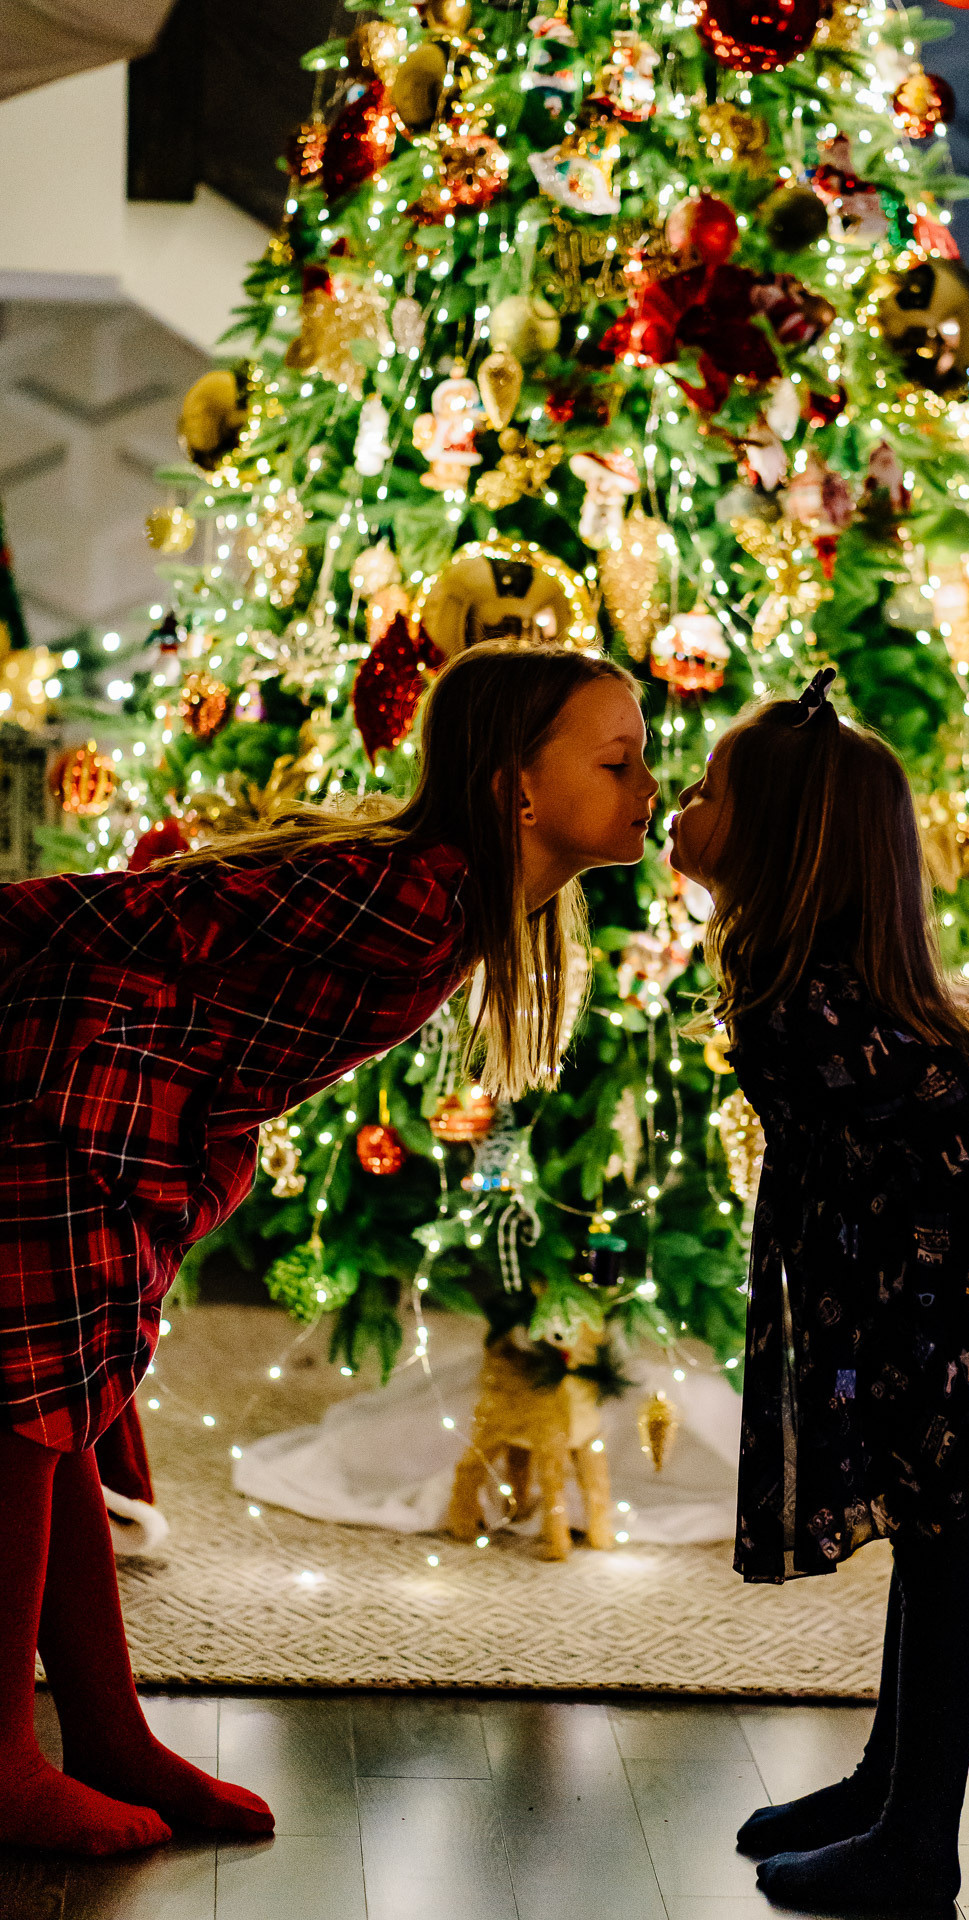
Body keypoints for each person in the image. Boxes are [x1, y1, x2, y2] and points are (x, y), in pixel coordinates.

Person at [0, 639, 658, 1857]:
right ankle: (2, 1765)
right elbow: (164, 906)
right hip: (77, 1099)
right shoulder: (416, 892)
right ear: (516, 783)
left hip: (145, 1123)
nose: (650, 786)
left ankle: (104, 1731)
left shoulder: (470, 906)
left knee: (63, 1414)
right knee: (25, 1422)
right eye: (618, 761)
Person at [670, 668, 969, 1917]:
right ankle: (886, 1787)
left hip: (962, 1317)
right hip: (916, 1305)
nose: (680, 799)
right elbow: (956, 1110)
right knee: (924, 1557)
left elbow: (968, 1124)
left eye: (707, 788)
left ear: (773, 839)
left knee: (939, 1565)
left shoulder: (818, 1002)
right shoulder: (802, 977)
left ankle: (915, 1843)